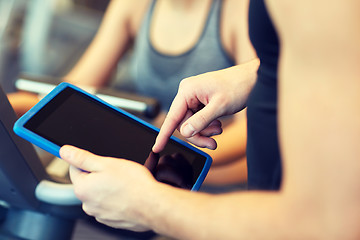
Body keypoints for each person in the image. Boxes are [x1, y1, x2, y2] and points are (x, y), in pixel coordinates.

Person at [60, 0, 360, 238]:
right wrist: (255, 75)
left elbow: (329, 226)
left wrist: (148, 205)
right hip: (260, 205)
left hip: (241, 193)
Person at [8, 0, 254, 185]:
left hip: (215, 163)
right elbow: (73, 89)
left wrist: (174, 156)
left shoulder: (238, 12)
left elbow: (250, 130)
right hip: (151, 155)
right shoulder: (134, 4)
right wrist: (10, 104)